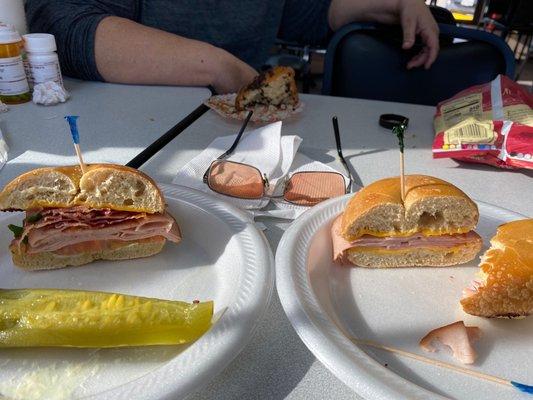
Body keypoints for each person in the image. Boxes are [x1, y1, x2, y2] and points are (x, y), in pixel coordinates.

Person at [26, 0, 439, 94]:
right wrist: (220, 68)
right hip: (137, 125)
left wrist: (400, 3)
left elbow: (308, 13)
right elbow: (66, 29)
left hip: (240, 118)